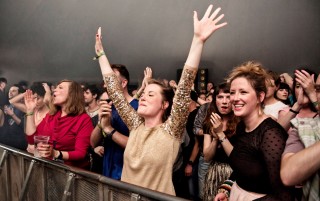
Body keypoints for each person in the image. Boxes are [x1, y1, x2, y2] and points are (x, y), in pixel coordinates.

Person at [94, 4, 227, 195]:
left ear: (164, 105)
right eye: (144, 93)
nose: (144, 97)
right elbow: (115, 93)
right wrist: (100, 54)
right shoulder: (136, 126)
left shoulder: (170, 130)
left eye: (151, 94)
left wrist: (198, 41)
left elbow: (183, 89)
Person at [214, 61, 293, 200]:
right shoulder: (241, 126)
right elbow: (241, 165)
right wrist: (227, 189)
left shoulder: (270, 133)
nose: (235, 98)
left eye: (243, 92)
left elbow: (282, 193)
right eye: (232, 92)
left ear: (260, 97)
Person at [24, 80, 93, 169]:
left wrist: (56, 153)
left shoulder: (84, 119)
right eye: (56, 88)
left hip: (71, 173)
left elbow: (80, 153)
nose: (54, 90)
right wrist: (30, 111)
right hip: (48, 168)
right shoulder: (51, 115)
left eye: (60, 88)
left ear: (72, 94)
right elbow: (32, 140)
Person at [90, 64, 139, 179]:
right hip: (108, 171)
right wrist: (100, 124)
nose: (106, 84)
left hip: (127, 174)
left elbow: (138, 146)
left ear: (123, 83)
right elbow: (93, 143)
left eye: (111, 80)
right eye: (106, 81)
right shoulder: (109, 106)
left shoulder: (137, 108)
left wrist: (109, 129)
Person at [281, 69, 319, 200]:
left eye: (313, 88)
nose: (305, 89)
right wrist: (298, 105)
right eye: (298, 86)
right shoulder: (298, 122)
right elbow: (275, 132)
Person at [202, 83, 239, 201]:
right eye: (220, 97)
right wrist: (216, 138)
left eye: (228, 97)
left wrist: (221, 133)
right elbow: (207, 157)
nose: (224, 101)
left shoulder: (241, 123)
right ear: (215, 100)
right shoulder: (209, 122)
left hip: (235, 174)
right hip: (213, 173)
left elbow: (236, 157)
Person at [0, 84, 27, 150]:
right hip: (5, 143)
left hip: (18, 145)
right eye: (9, 91)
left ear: (20, 94)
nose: (10, 92)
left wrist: (12, 115)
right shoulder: (8, 106)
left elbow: (24, 126)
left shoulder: (24, 107)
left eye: (13, 91)